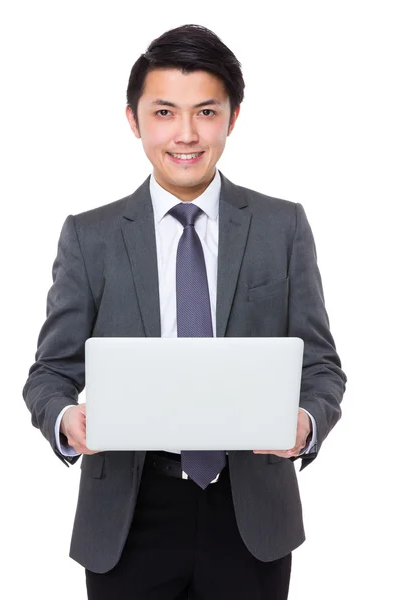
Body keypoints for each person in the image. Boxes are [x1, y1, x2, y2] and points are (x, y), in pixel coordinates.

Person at [23, 23, 347, 600]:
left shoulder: (282, 227)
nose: (187, 135)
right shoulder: (89, 237)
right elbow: (50, 373)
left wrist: (306, 422)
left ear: (232, 117)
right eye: (166, 112)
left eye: (206, 112)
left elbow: (321, 367)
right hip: (129, 511)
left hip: (251, 513)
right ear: (135, 119)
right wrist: (66, 422)